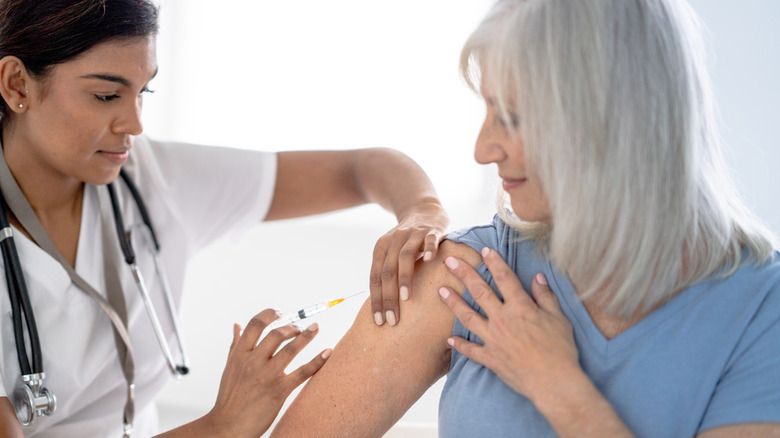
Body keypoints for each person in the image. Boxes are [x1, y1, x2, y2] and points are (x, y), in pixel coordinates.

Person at [270, 0, 780, 436]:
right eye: (487, 110)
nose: (481, 149)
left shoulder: (761, 308)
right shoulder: (468, 269)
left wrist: (559, 388)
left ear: (609, 124)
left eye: (511, 118)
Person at [0, 0, 450, 437]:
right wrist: (223, 425)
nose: (135, 124)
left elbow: (365, 167)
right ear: (17, 84)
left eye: (144, 91)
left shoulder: (151, 177)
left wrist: (422, 212)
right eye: (107, 95)